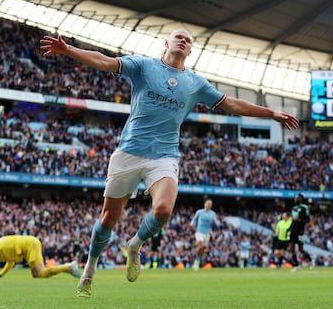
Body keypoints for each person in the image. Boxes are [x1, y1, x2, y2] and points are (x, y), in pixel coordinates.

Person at [40, 29, 299, 298]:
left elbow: (232, 104)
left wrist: (271, 113)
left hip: (164, 156)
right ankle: (89, 270)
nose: (184, 40)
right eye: (179, 36)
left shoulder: (196, 83)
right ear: (166, 43)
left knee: (163, 210)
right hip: (129, 152)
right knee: (108, 219)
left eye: (189, 40)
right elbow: (105, 61)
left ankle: (134, 245)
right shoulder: (143, 66)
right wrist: (69, 50)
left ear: (190, 52)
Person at [0, 235, 80, 279]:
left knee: (39, 273)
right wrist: (0, 275)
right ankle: (68, 267)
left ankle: (69, 267)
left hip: (29, 245)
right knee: (37, 275)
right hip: (31, 242)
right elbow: (10, 262)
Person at [190, 198, 218, 270]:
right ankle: (196, 262)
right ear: (205, 204)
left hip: (207, 233)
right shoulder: (199, 212)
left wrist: (214, 221)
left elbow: (217, 224)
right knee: (201, 245)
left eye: (210, 204)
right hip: (199, 232)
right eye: (208, 203)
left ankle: (197, 261)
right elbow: (194, 220)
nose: (209, 205)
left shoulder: (213, 214)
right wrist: (192, 224)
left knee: (202, 248)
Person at [288, 193, 313, 271]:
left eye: (297, 198)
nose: (295, 199)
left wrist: (301, 220)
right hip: (293, 230)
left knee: (301, 249)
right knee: (291, 248)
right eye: (295, 198)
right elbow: (292, 220)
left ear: (301, 199)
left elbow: (308, 220)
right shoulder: (293, 208)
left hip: (300, 231)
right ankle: (296, 265)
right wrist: (288, 229)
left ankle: (311, 261)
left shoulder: (304, 208)